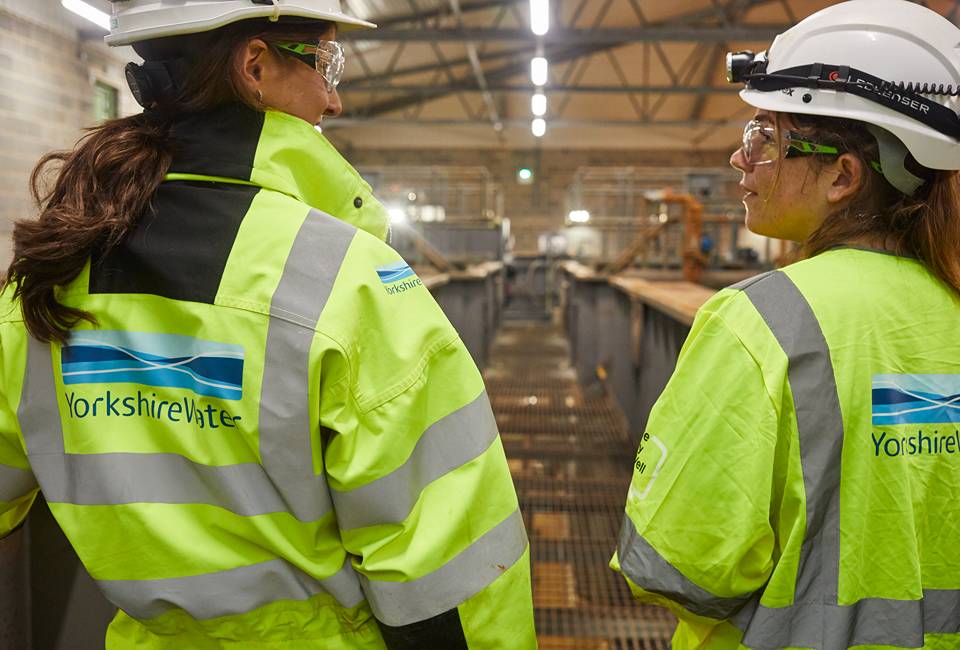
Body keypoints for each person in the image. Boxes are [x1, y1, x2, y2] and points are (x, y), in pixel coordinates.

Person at [0, 1, 535, 647]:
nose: (332, 102)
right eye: (327, 64)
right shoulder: (348, 280)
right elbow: (450, 571)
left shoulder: (48, 277)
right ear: (255, 65)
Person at [611, 1, 960, 648]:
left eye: (764, 139)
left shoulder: (762, 322)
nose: (740, 160)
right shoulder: (948, 308)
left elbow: (677, 562)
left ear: (843, 176)